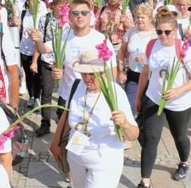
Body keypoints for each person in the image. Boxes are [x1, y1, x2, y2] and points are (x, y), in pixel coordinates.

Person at [135, 8, 191, 187]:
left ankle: (184, 162)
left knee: (179, 136)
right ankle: (145, 181)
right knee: (150, 139)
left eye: (166, 32)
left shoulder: (184, 49)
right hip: (154, 98)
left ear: (175, 31)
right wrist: (139, 97)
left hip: (179, 102)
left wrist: (178, 91)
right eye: (159, 32)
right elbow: (145, 72)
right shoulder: (151, 45)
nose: (162, 35)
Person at [54, 48, 138, 188]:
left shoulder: (116, 93)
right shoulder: (76, 85)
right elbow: (67, 115)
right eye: (83, 72)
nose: (86, 78)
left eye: (91, 73)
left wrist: (124, 124)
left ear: (103, 72)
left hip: (104, 161)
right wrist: (55, 142)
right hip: (76, 157)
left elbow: (134, 134)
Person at [30, 0, 68, 136]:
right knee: (46, 92)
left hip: (64, 64)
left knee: (64, 94)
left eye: (65, 7)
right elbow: (38, 42)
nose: (63, 9)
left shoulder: (68, 20)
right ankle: (45, 123)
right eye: (60, 7)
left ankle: (62, 119)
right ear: (54, 6)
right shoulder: (44, 19)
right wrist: (34, 61)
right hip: (48, 61)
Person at [117, 2, 157, 116]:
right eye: (137, 17)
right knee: (131, 106)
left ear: (149, 18)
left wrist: (146, 58)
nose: (139, 20)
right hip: (133, 76)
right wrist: (121, 71)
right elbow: (122, 52)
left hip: (150, 77)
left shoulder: (155, 34)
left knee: (146, 109)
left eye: (142, 17)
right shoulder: (131, 32)